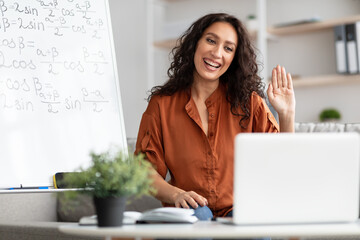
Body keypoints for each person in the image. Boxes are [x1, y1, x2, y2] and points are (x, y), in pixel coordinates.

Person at [135, 13, 295, 221]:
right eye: (211, 40)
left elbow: (283, 164)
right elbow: (144, 171)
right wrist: (177, 194)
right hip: (189, 210)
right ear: (195, 43)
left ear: (234, 58)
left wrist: (286, 114)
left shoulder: (251, 103)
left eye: (228, 48)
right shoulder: (161, 104)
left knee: (251, 222)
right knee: (199, 215)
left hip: (240, 208)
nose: (217, 53)